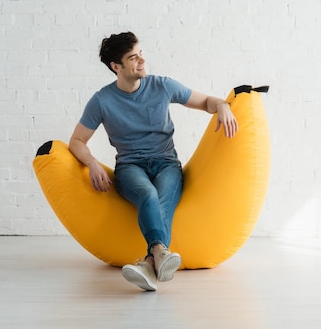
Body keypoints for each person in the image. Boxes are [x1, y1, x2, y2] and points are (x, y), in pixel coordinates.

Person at [68, 32, 238, 291]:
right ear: (116, 67)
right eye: (133, 57)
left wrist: (223, 106)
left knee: (161, 197)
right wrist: (91, 163)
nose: (142, 60)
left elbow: (206, 102)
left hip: (166, 164)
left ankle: (149, 262)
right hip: (129, 168)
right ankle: (159, 253)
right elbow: (77, 141)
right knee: (148, 194)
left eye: (140, 53)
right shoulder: (102, 100)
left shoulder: (162, 85)